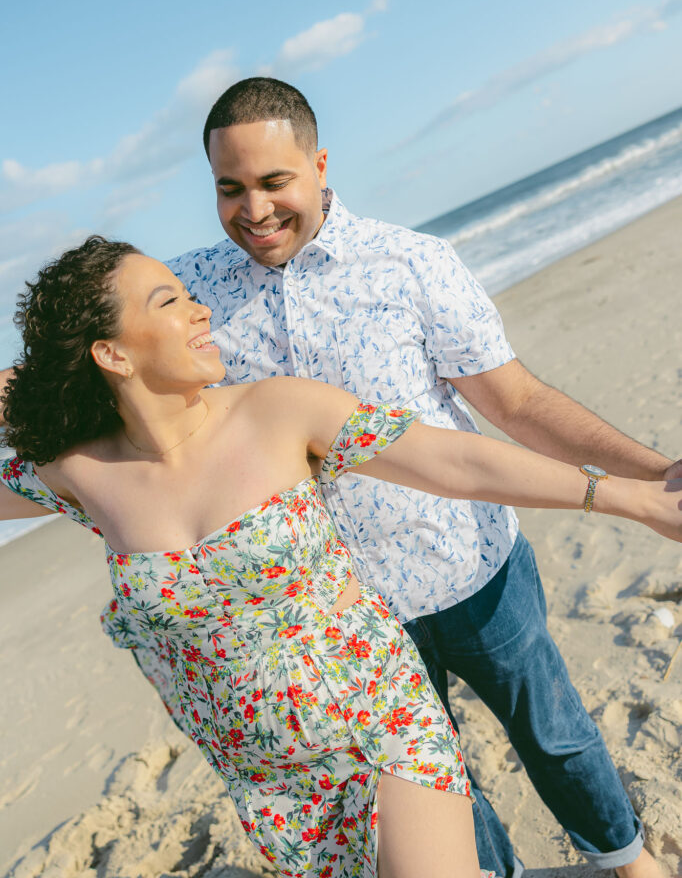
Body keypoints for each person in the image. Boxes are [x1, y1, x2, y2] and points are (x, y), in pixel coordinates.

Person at [1, 238, 680, 878]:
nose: (199, 308)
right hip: (275, 793)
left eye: (187, 294)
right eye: (168, 302)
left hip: (376, 728)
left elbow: (457, 461)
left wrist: (628, 498)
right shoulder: (79, 472)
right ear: (111, 354)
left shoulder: (277, 412)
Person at [155, 77, 680, 878]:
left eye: (273, 182)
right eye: (230, 188)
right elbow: (87, 361)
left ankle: (628, 861)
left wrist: (658, 473)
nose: (253, 210)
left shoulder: (410, 262)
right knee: (440, 789)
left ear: (319, 163)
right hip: (348, 622)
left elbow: (518, 402)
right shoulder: (189, 299)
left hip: (475, 569)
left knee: (557, 734)